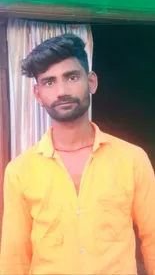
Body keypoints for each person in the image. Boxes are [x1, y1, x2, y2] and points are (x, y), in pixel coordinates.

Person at [0, 34, 155, 275]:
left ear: (91, 82)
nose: (62, 91)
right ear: (37, 94)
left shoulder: (132, 159)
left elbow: (152, 238)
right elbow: (14, 257)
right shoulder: (20, 171)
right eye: (49, 82)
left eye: (71, 77)